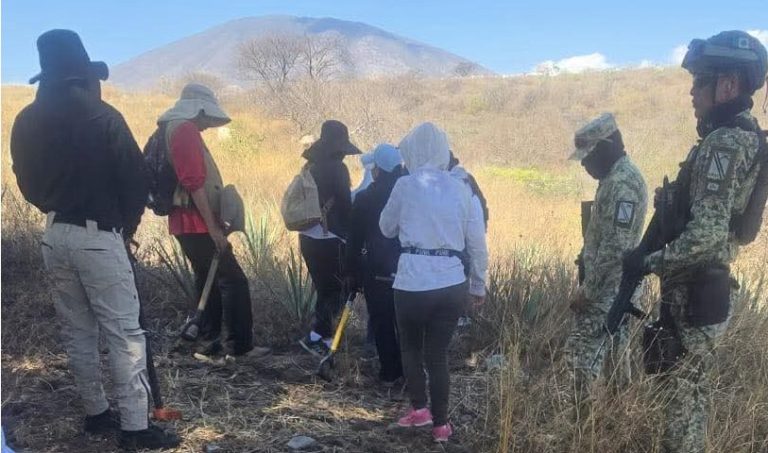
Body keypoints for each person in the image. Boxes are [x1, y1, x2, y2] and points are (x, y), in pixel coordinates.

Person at [10, 29, 180, 450]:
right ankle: (136, 428)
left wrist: (58, 210)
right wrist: (124, 229)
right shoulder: (103, 116)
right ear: (82, 76)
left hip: (55, 235)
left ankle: (97, 413)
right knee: (124, 333)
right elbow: (136, 181)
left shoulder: (26, 120)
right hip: (99, 236)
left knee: (77, 331)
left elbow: (26, 183)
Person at [623, 31, 767, 452]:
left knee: (681, 409)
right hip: (704, 291)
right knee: (690, 401)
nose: (692, 91)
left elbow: (705, 237)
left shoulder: (724, 142)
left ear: (728, 85)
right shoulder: (740, 137)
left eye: (700, 81)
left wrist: (649, 262)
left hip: (698, 292)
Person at [380, 122, 488, 443]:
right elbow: (477, 243)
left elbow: (386, 228)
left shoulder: (404, 185)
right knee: (437, 353)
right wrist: (478, 285)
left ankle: (419, 409)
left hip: (411, 279)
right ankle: (441, 425)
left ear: (412, 151)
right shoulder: (462, 188)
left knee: (411, 348)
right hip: (451, 280)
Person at [157, 83, 270, 362]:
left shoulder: (173, 127)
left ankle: (207, 340)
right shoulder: (184, 130)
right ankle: (240, 345)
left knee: (207, 277)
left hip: (186, 220)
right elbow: (194, 183)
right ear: (201, 109)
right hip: (195, 221)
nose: (209, 125)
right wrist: (214, 228)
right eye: (208, 118)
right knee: (233, 280)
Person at [564, 113, 647, 408]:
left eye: (588, 156)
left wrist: (587, 292)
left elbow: (616, 248)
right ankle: (613, 420)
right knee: (616, 357)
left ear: (607, 146)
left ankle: (581, 425)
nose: (585, 165)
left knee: (579, 356)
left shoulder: (623, 183)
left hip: (609, 291)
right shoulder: (614, 178)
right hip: (615, 287)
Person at [297, 120, 361, 356]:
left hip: (307, 236)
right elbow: (345, 205)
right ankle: (324, 338)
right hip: (330, 236)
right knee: (337, 288)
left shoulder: (309, 166)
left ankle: (316, 334)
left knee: (322, 287)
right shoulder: (337, 169)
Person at [345, 144, 405, 386]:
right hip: (407, 268)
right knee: (406, 324)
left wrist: (351, 270)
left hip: (376, 269)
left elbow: (354, 240)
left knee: (381, 322)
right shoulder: (409, 193)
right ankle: (410, 372)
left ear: (378, 171)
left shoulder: (365, 198)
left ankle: (389, 372)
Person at [447, 151, 489, 328]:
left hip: (460, 246)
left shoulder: (462, 182)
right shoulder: (466, 180)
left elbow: (479, 215)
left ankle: (462, 320)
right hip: (462, 246)